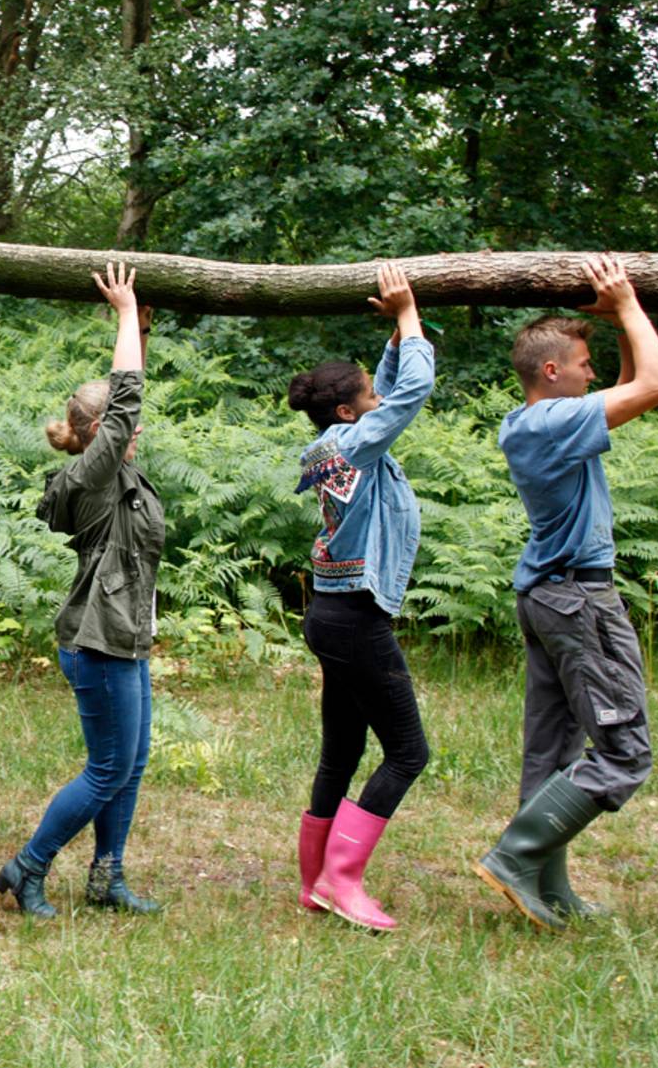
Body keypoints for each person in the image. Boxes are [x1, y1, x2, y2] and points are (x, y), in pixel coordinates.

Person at [475, 254, 658, 930]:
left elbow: (629, 383)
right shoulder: (554, 423)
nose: (594, 375)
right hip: (580, 601)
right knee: (624, 749)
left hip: (549, 598)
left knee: (553, 751)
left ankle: (547, 882)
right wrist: (623, 307)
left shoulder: (533, 421)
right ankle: (515, 854)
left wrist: (620, 323)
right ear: (553, 372)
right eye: (583, 364)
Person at [0, 263, 163, 919]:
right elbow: (125, 406)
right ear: (100, 435)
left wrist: (138, 330)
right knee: (107, 769)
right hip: (98, 639)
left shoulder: (117, 467)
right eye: (126, 425)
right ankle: (26, 865)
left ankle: (106, 879)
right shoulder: (91, 475)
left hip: (127, 634)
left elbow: (126, 408)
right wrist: (121, 311)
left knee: (132, 763)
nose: (139, 429)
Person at [287, 263, 434, 931]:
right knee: (408, 751)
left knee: (341, 752)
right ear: (349, 410)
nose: (378, 399)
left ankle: (315, 882)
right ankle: (343, 880)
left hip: (330, 611)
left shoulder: (331, 439)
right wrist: (409, 317)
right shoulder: (359, 441)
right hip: (353, 618)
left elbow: (390, 388)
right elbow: (413, 393)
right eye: (367, 394)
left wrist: (394, 338)